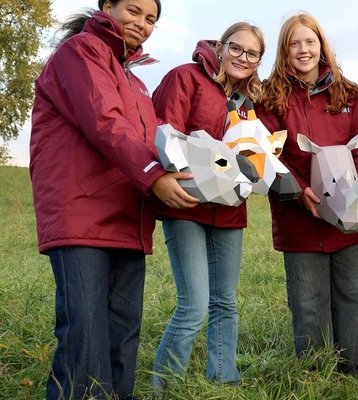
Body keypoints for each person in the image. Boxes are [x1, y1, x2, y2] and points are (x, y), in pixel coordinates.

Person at [29, 1, 200, 399]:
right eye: (134, 11)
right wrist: (153, 175)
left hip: (126, 213)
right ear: (108, 6)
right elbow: (104, 121)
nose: (142, 23)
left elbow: (157, 137)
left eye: (151, 19)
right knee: (85, 335)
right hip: (81, 212)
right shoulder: (79, 52)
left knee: (123, 332)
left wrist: (206, 168)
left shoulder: (135, 81)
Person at [150, 22, 265, 391]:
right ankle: (164, 389)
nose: (243, 58)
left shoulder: (248, 103)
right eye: (237, 48)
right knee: (194, 306)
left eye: (252, 53)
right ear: (220, 47)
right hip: (187, 204)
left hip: (230, 211)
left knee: (225, 302)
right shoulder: (185, 78)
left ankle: (224, 382)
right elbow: (164, 132)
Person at [261, 12, 358, 374]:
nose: (303, 49)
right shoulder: (271, 98)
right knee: (308, 301)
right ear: (285, 50)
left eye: (309, 42)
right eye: (295, 43)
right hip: (301, 219)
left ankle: (353, 369)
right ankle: (316, 375)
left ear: (321, 45)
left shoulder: (349, 92)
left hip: (348, 215)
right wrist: (299, 193)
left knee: (352, 294)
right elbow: (266, 155)